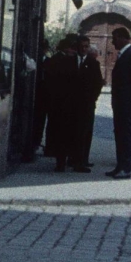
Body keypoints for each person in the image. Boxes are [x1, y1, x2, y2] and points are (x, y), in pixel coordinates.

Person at [107, 28, 131, 179]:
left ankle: (126, 167)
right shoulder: (124, 55)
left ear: (123, 38)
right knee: (120, 134)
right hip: (120, 102)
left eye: (114, 38)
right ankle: (120, 165)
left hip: (128, 102)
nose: (113, 41)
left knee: (127, 135)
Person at [44, 37, 80, 172]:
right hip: (63, 104)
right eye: (71, 48)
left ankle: (61, 160)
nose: (73, 51)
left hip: (60, 104)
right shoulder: (62, 60)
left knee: (60, 133)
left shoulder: (57, 59)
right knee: (63, 134)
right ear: (66, 48)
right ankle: (61, 161)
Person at [71, 35, 104, 172]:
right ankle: (70, 158)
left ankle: (82, 160)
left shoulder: (93, 63)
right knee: (72, 131)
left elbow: (98, 83)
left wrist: (92, 99)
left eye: (86, 47)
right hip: (71, 103)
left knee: (85, 132)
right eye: (82, 46)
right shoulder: (70, 60)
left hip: (87, 103)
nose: (84, 49)